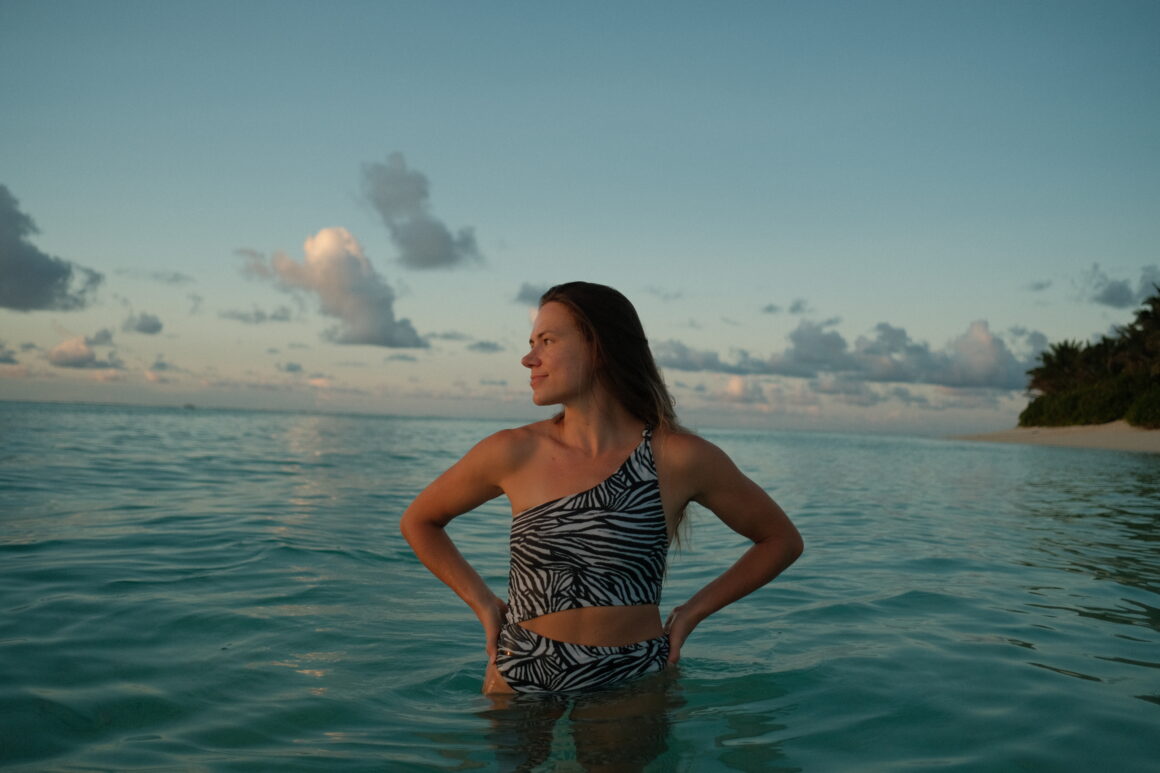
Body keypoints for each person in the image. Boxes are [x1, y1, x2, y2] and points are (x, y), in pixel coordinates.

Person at [400, 281, 803, 694]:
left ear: (599, 347)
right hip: (522, 666)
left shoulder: (678, 457)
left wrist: (692, 612)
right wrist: (483, 603)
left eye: (547, 341)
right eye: (531, 342)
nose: (528, 358)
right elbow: (420, 520)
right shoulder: (513, 450)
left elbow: (780, 540)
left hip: (632, 673)